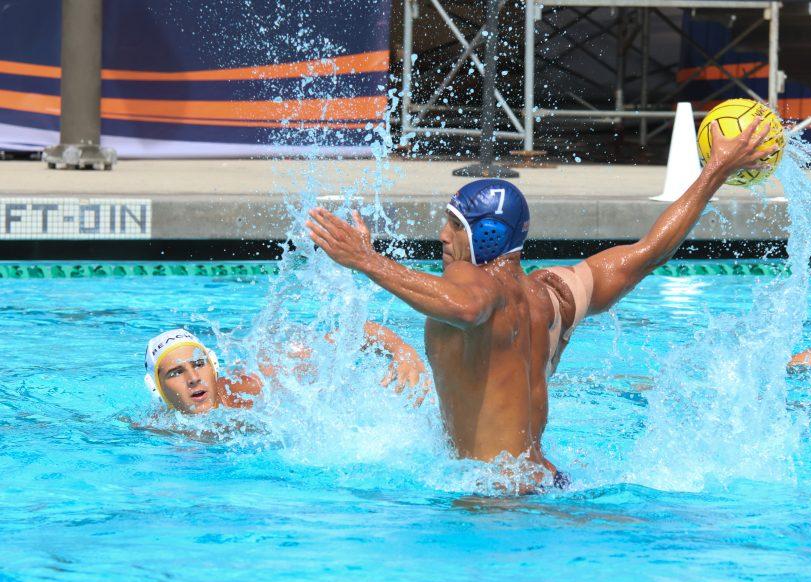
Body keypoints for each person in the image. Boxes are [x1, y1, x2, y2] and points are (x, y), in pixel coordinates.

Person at [306, 119, 776, 491]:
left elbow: (469, 306)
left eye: (453, 225)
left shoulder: (472, 280)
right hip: (548, 483)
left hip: (493, 499)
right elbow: (650, 251)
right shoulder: (553, 294)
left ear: (484, 234)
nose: (442, 236)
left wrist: (365, 260)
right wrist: (716, 170)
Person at [144, 322, 428, 415]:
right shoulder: (158, 430)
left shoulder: (254, 382)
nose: (193, 378)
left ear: (213, 367)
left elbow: (356, 332)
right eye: (176, 372)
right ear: (157, 387)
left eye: (198, 364)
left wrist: (402, 351)